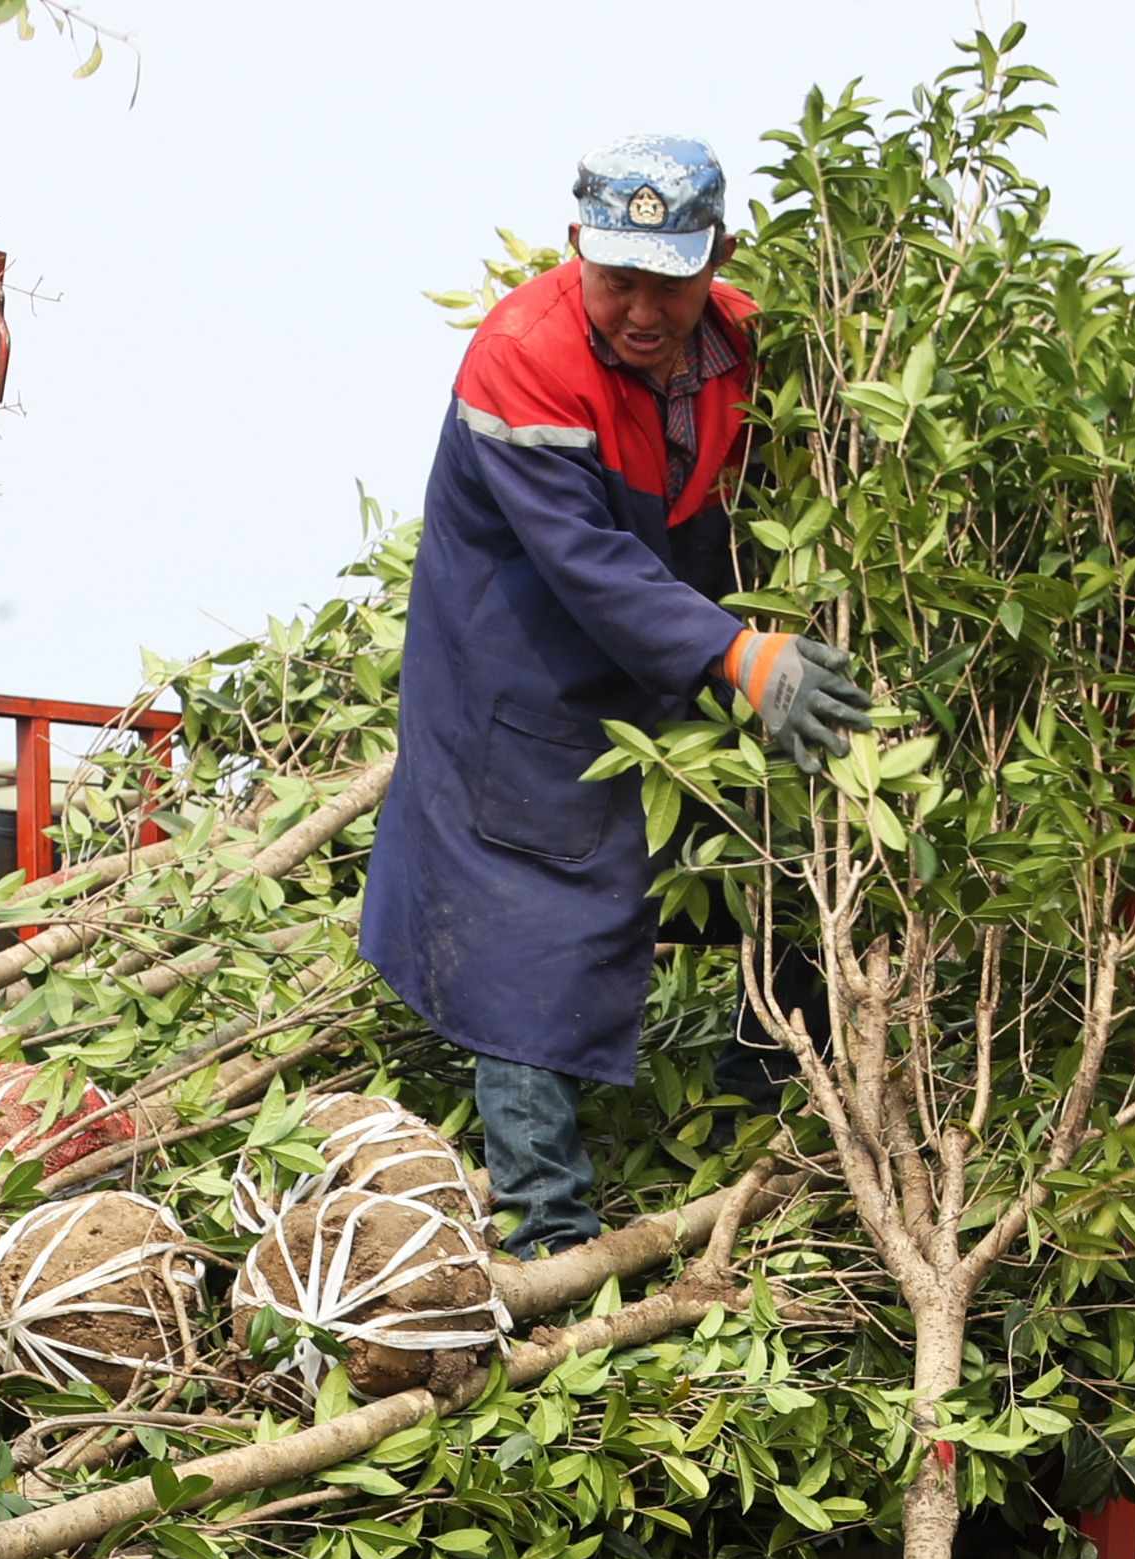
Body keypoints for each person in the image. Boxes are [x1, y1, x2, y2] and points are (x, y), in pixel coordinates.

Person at [358, 134, 872, 1255]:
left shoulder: (741, 345)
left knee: (772, 859)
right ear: (577, 246)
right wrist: (742, 657)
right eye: (618, 278)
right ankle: (548, 1234)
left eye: (670, 280)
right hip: (521, 672)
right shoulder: (522, 361)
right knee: (524, 936)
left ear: (716, 259)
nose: (642, 309)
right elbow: (588, 560)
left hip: (666, 655)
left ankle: (755, 1110)